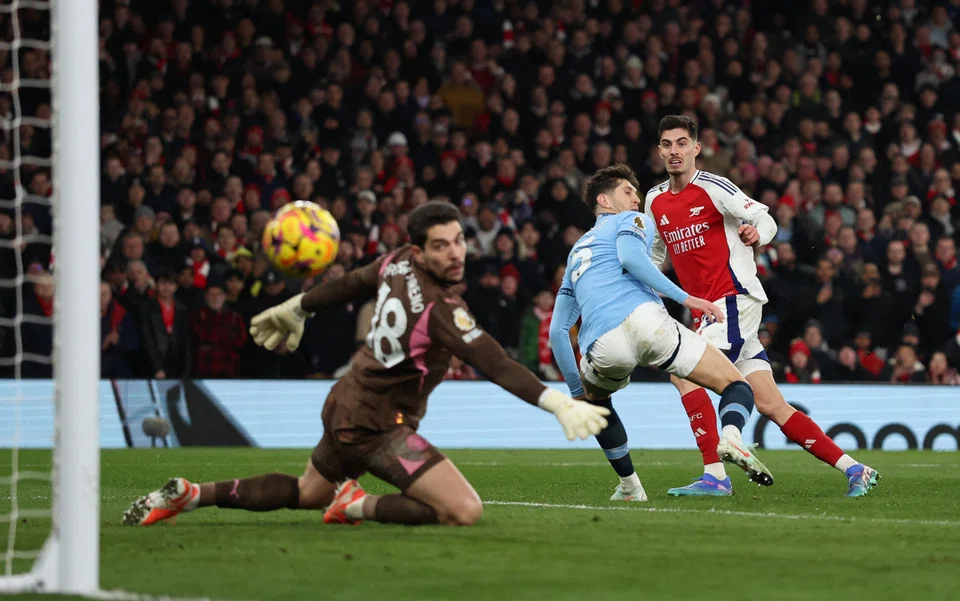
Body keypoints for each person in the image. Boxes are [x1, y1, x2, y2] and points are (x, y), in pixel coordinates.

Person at [122, 202, 609, 528]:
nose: (456, 252)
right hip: (380, 426)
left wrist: (299, 307)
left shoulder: (396, 262)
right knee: (463, 509)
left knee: (307, 491)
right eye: (442, 245)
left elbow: (352, 283)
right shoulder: (441, 308)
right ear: (421, 250)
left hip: (345, 404)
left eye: (459, 240)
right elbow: (495, 362)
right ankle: (359, 504)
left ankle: (192, 493)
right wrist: (556, 404)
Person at [647, 115, 879, 497]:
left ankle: (719, 469)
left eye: (682, 143)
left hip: (734, 299)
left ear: (696, 148)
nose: (675, 151)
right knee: (772, 404)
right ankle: (856, 469)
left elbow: (763, 217)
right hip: (709, 311)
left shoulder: (714, 187)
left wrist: (758, 234)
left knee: (683, 372)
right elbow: (656, 253)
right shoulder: (654, 199)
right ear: (659, 150)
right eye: (668, 144)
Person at [549, 164, 757, 500]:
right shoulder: (632, 220)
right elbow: (631, 259)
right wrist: (686, 297)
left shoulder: (575, 254)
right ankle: (731, 434)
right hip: (648, 323)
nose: (637, 197)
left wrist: (576, 391)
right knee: (735, 384)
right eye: (627, 191)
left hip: (602, 345)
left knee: (598, 401)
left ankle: (630, 486)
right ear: (605, 200)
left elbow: (557, 331)